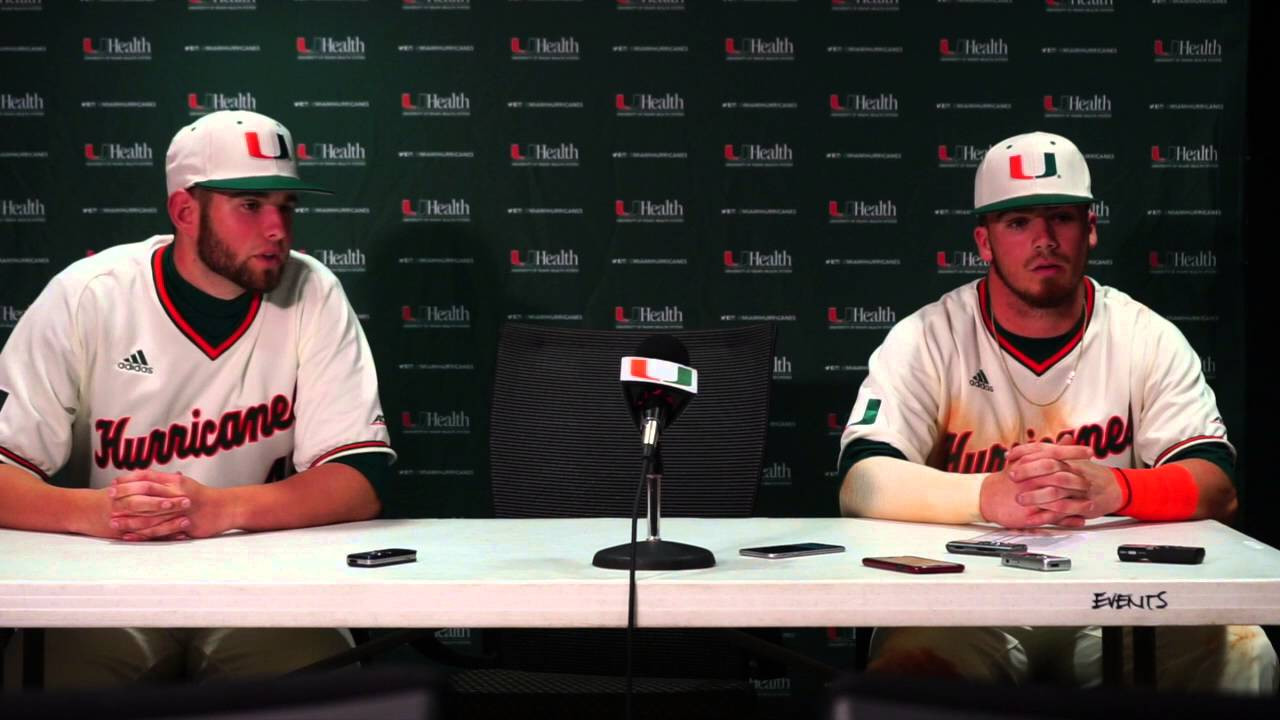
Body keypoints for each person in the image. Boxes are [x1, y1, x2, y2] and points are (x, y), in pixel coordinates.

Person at [836, 131, 1276, 693]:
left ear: (1089, 229)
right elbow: (860, 483)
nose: (1043, 239)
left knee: (1241, 655)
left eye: (1060, 218)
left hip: (1117, 595)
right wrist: (985, 496)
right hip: (968, 591)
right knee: (909, 680)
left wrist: (1113, 488)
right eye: (1017, 222)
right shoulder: (928, 337)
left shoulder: (1144, 336)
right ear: (984, 242)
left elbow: (1218, 488)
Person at [0, 110, 394, 687]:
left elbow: (361, 480)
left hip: (260, 586)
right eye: (250, 206)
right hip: (109, 586)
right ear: (185, 211)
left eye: (286, 205)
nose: (278, 228)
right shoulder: (89, 296)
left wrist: (219, 509)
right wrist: (97, 513)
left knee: (331, 696)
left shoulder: (312, 291)